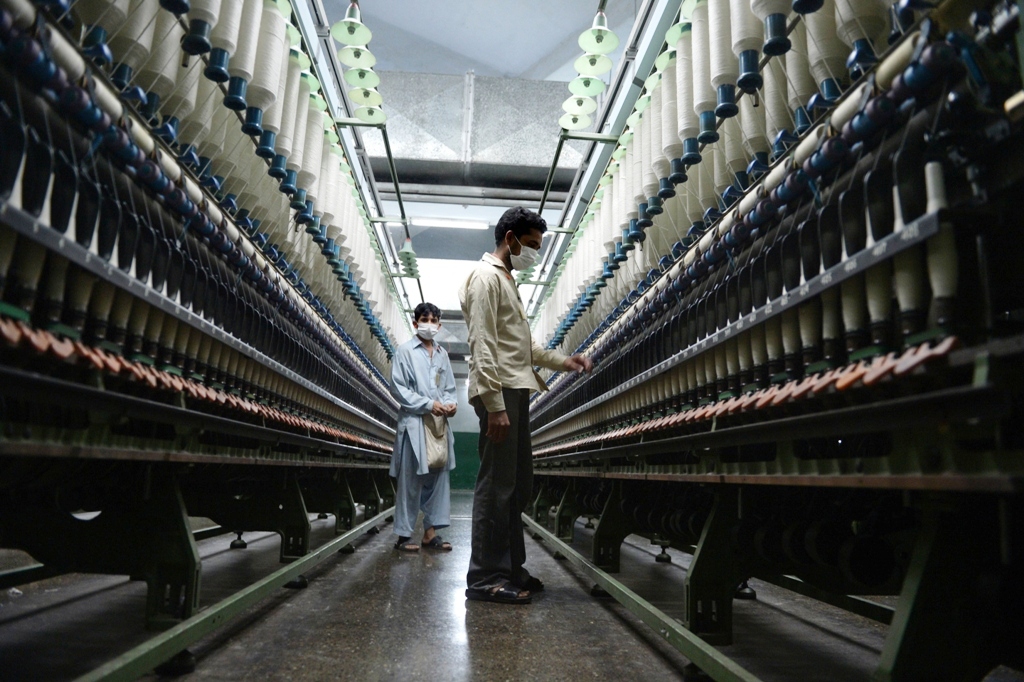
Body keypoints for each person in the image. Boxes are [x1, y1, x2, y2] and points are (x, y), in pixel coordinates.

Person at [460, 206, 593, 604]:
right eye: (532, 245)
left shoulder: (505, 280)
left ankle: (510, 568)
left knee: (515, 488)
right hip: (499, 393)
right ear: (511, 238)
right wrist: (495, 405)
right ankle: (485, 578)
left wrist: (563, 362)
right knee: (496, 488)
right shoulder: (485, 279)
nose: (534, 253)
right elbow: (481, 344)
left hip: (515, 390)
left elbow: (522, 346)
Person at [389, 302, 458, 553]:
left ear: (439, 325)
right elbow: (399, 388)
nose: (430, 324)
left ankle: (430, 534)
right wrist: (428, 404)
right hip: (414, 424)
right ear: (415, 323)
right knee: (411, 481)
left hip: (438, 426)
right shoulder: (405, 352)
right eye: (424, 320)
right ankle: (404, 536)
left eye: (434, 320)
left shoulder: (442, 354)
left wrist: (451, 404)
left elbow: (449, 389)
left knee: (438, 479)